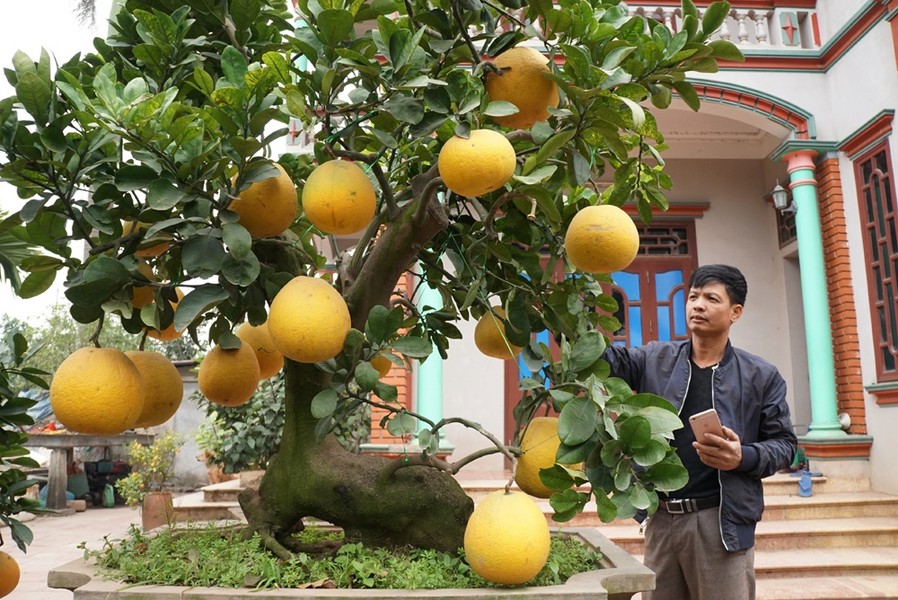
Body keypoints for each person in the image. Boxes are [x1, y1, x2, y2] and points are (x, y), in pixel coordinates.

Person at [603, 264, 797, 600]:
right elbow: (607, 360)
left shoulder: (760, 375)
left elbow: (784, 445)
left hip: (719, 521)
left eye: (710, 298)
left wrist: (743, 456)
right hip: (662, 519)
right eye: (693, 297)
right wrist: (564, 317)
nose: (697, 305)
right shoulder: (654, 359)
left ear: (735, 312)